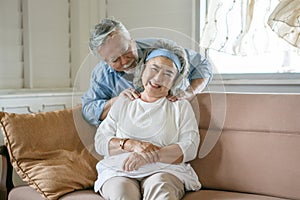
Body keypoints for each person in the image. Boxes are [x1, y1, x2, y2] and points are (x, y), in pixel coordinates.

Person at [94, 41, 201, 200]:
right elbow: (100, 141)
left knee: (160, 188)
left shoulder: (180, 107)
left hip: (165, 171)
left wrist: (147, 156)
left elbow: (190, 147)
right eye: (154, 69)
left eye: (168, 74)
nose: (158, 78)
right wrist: (132, 145)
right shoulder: (124, 101)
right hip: (119, 171)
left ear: (175, 81)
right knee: (121, 193)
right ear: (143, 70)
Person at [81, 18, 212, 125]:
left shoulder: (162, 48)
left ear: (131, 40)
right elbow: (88, 110)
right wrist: (116, 102)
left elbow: (202, 65)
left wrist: (190, 92)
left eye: (126, 51)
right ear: (105, 61)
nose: (125, 61)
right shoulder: (101, 74)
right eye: (115, 60)